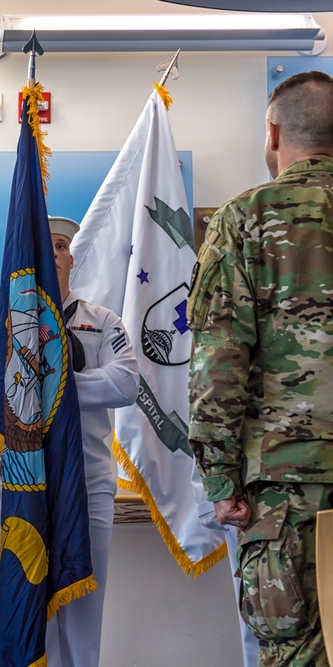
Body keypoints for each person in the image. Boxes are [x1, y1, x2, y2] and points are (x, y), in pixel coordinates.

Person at [188, 70, 333, 667]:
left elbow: (219, 362)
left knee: (294, 653)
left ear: (272, 134)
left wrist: (221, 482)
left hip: (283, 489)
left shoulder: (243, 219)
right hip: (286, 481)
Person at [0, 216, 139, 667]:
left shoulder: (102, 323)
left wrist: (54, 384)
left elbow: (127, 383)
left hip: (88, 488)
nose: (53, 253)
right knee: (30, 619)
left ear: (71, 259)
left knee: (82, 622)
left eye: (60, 246)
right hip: (21, 493)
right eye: (44, 245)